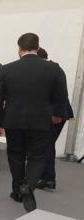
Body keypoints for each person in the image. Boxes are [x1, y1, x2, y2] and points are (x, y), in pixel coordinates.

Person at [0, 33, 68, 212]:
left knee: (15, 155)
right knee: (37, 157)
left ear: (19, 48)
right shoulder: (53, 68)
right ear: (38, 46)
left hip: (13, 120)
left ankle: (18, 190)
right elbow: (61, 95)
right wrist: (57, 114)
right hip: (41, 120)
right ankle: (29, 186)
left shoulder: (7, 69)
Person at [36, 48, 74, 190]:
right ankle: (44, 175)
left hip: (55, 114)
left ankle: (48, 179)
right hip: (52, 113)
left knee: (46, 144)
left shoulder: (53, 69)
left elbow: (61, 92)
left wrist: (56, 114)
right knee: (46, 144)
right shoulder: (50, 68)